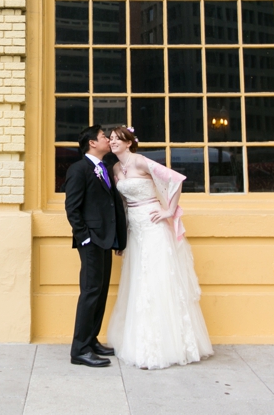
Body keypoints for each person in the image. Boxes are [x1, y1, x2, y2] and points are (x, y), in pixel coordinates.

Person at [106, 126, 213, 369]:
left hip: (153, 225)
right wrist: (121, 238)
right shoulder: (115, 168)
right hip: (134, 227)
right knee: (137, 280)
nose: (112, 142)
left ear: (129, 142)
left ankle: (166, 345)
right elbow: (121, 204)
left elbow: (175, 179)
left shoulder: (141, 162)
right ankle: (137, 341)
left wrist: (168, 211)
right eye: (110, 139)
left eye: (117, 139)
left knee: (155, 279)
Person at [63, 125, 127, 367]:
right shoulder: (79, 169)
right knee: (90, 292)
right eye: (103, 137)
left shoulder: (104, 168)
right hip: (91, 241)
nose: (108, 141)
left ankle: (91, 340)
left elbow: (111, 206)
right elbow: (73, 208)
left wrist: (118, 238)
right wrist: (85, 237)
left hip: (106, 239)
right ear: (91, 143)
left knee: (99, 292)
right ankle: (79, 349)